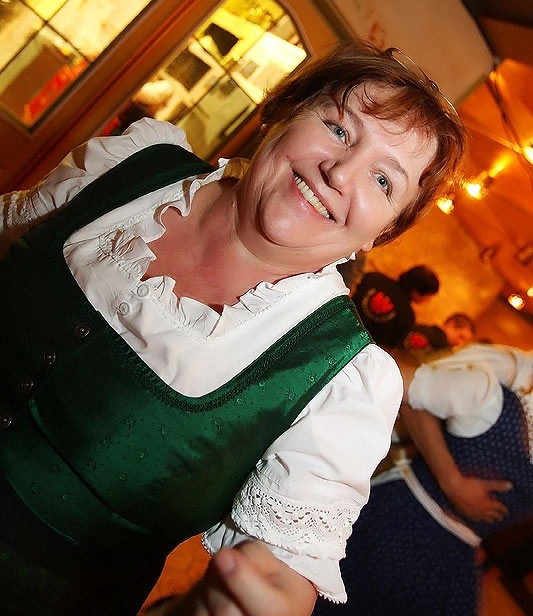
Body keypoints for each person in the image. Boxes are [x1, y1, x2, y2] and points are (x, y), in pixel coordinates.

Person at [0, 40, 467, 616]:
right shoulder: (135, 164)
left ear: (383, 233)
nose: (340, 174)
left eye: (383, 181)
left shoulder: (343, 382)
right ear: (282, 113)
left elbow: (282, 574)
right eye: (338, 129)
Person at [312, 343, 533, 616]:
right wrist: (450, 480)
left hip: (453, 553)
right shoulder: (502, 376)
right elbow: (407, 389)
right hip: (394, 506)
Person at [352, 264, 440, 349]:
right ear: (416, 292)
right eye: (428, 296)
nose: (428, 300)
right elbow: (389, 345)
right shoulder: (407, 318)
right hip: (356, 346)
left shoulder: (374, 277)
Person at [403, 310, 476, 361]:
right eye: (461, 337)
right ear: (451, 325)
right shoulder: (443, 347)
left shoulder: (422, 328)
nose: (460, 343)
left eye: (464, 342)